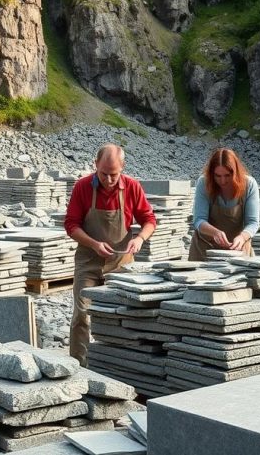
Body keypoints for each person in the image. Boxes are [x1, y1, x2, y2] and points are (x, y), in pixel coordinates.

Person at [64, 144, 157, 365]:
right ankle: (79, 365)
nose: (108, 179)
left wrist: (140, 238)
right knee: (82, 315)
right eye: (104, 173)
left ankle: (118, 365)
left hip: (120, 264)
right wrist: (94, 244)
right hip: (88, 262)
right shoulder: (83, 187)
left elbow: (149, 220)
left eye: (114, 174)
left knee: (121, 316)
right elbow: (71, 225)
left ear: (122, 167)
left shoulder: (132, 187)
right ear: (95, 165)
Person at [188, 147, 260, 261]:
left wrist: (243, 237)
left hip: (238, 248)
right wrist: (215, 232)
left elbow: (253, 222)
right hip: (205, 248)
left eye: (227, 175)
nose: (223, 181)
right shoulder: (204, 183)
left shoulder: (249, 185)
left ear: (235, 172)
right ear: (212, 174)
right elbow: (199, 220)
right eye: (218, 176)